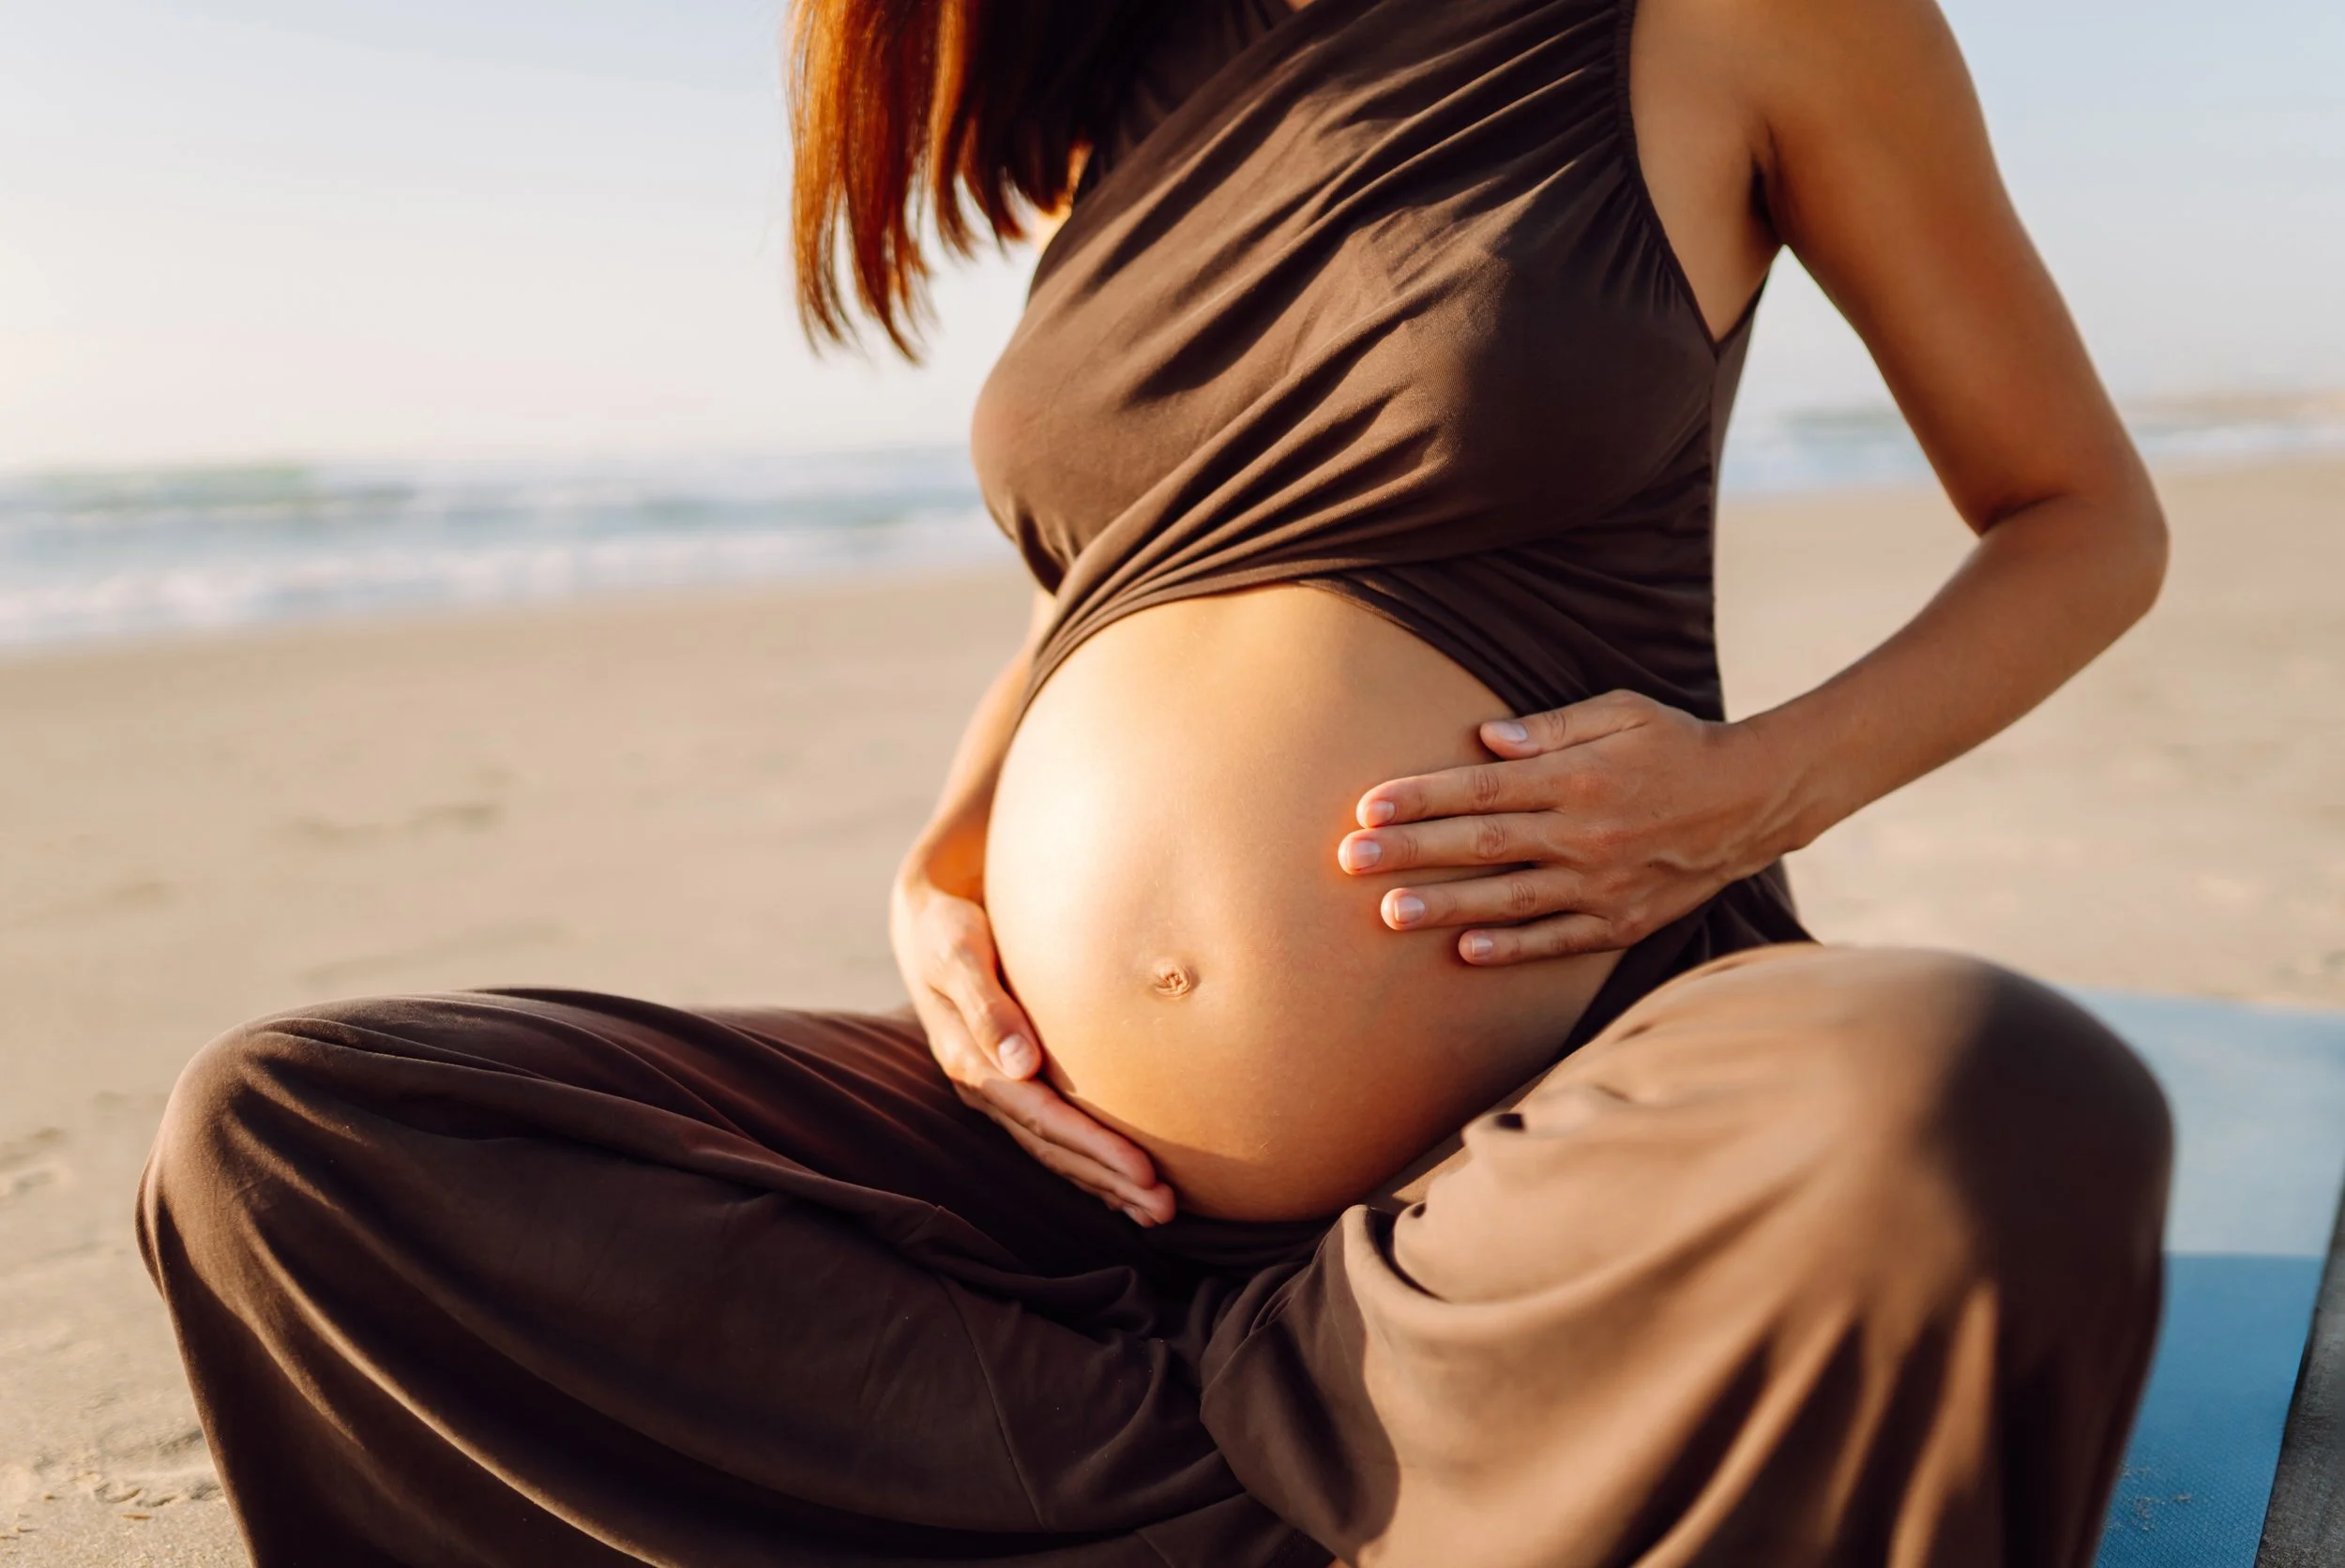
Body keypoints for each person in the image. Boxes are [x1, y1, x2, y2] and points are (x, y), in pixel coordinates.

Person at [138, 0, 2177, 1561]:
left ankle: (1327, 1454)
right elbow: (1133, 551)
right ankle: (1365, 1480)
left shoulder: (1725, 21)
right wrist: (947, 848)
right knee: (292, 1140)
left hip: (1557, 1129)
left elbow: (2076, 515)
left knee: (1972, 1105)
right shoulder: (1124, 97)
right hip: (1070, 1205)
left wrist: (1748, 790)